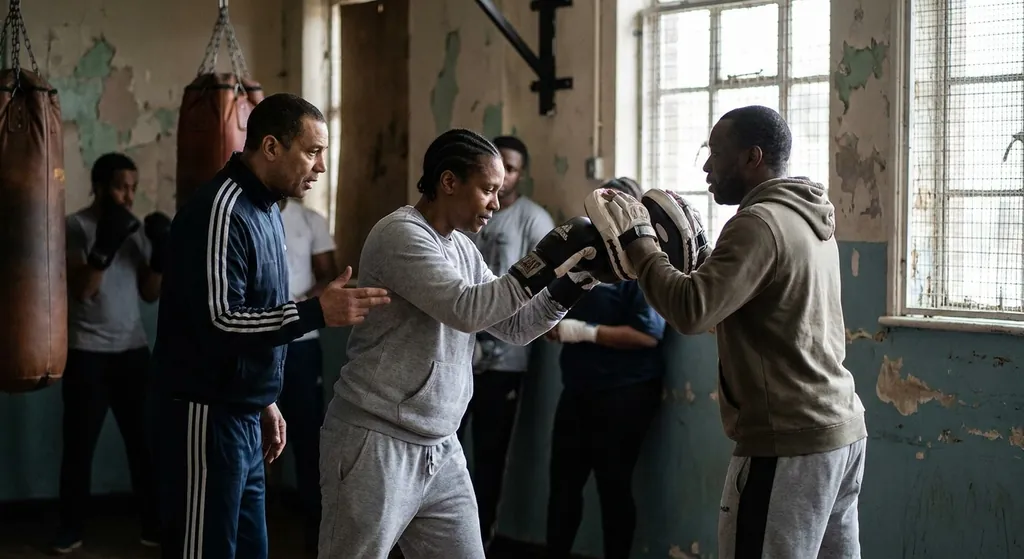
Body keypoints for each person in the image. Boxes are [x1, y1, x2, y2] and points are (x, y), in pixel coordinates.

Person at [583, 105, 867, 559]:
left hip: (788, 442)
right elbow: (749, 311)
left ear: (752, 157)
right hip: (839, 430)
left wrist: (641, 244)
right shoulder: (809, 217)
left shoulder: (756, 224)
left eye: (717, 153)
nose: (707, 166)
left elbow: (691, 312)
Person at [317, 128, 608, 559]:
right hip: (378, 440)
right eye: (488, 189)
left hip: (440, 446)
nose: (496, 202)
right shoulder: (400, 234)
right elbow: (465, 309)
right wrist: (549, 255)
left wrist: (577, 280)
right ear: (449, 182)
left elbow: (514, 326)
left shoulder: (463, 248)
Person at [148, 93, 391, 559]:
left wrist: (265, 399)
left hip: (241, 410)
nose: (320, 167)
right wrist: (317, 312)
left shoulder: (267, 211)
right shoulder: (222, 210)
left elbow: (259, 312)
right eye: (312, 151)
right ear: (272, 147)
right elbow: (220, 323)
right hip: (205, 413)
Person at [543, 177, 667, 559]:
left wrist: (583, 332)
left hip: (624, 395)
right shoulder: (585, 259)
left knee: (613, 488)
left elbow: (648, 335)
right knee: (563, 487)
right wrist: (550, 324)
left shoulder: (643, 264)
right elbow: (553, 308)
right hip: (578, 389)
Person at [53, 152, 169, 554]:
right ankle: (70, 529)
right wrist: (104, 247)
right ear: (100, 186)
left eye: (134, 188)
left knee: (145, 444)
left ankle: (153, 526)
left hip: (133, 352)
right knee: (79, 446)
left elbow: (150, 295)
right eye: (122, 187)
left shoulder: (134, 229)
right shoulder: (75, 227)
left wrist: (159, 255)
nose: (128, 195)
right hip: (87, 353)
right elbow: (82, 290)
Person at [459, 134, 555, 547]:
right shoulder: (465, 215)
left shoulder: (534, 219)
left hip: (504, 359)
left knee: (491, 455)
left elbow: (547, 285)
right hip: (457, 351)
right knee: (446, 452)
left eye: (512, 168)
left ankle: (481, 540)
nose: (504, 178)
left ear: (521, 173)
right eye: (499, 167)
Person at [278, 196, 338, 553]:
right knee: (251, 432)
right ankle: (256, 518)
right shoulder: (248, 213)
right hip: (257, 342)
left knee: (306, 435)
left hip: (301, 343)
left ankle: (315, 533)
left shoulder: (310, 220)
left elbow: (328, 278)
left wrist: (298, 309)